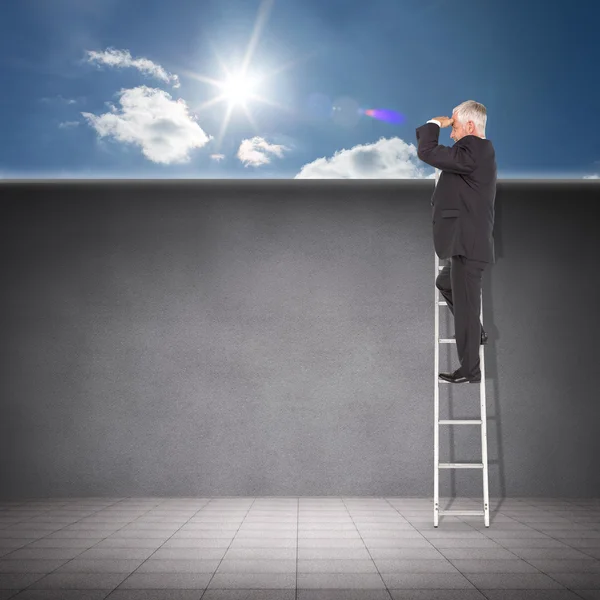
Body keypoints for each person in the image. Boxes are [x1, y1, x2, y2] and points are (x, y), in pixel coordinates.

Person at [415, 100, 497, 384]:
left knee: (465, 309)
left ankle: (470, 371)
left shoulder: (474, 147)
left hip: (467, 244)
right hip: (465, 242)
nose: (452, 134)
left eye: (456, 127)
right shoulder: (473, 153)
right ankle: (477, 332)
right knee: (445, 283)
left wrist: (435, 123)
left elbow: (428, 151)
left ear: (471, 127)